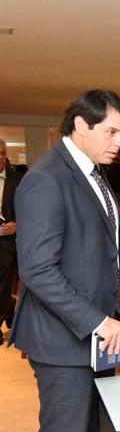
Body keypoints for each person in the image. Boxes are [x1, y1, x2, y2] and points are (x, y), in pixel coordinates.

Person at [8, 89, 120, 432]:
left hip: (100, 340)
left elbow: (110, 237)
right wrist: (96, 320)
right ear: (79, 125)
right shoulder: (45, 180)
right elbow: (38, 270)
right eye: (111, 132)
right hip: (65, 342)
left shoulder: (93, 171)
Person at [0, 138, 22, 339]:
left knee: (4, 283)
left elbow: (28, 208)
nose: (0, 157)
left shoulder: (17, 179)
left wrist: (17, 224)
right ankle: (9, 307)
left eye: (2, 153)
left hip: (7, 242)